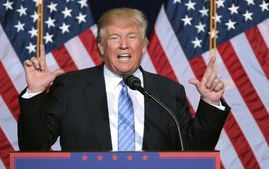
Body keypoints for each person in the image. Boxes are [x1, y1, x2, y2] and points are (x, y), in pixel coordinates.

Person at [18, 8, 230, 151]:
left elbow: (193, 154)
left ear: (144, 45)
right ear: (101, 47)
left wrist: (210, 103)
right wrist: (35, 91)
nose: (124, 45)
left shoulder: (168, 91)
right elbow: (33, 149)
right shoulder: (69, 87)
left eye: (131, 37)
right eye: (114, 37)